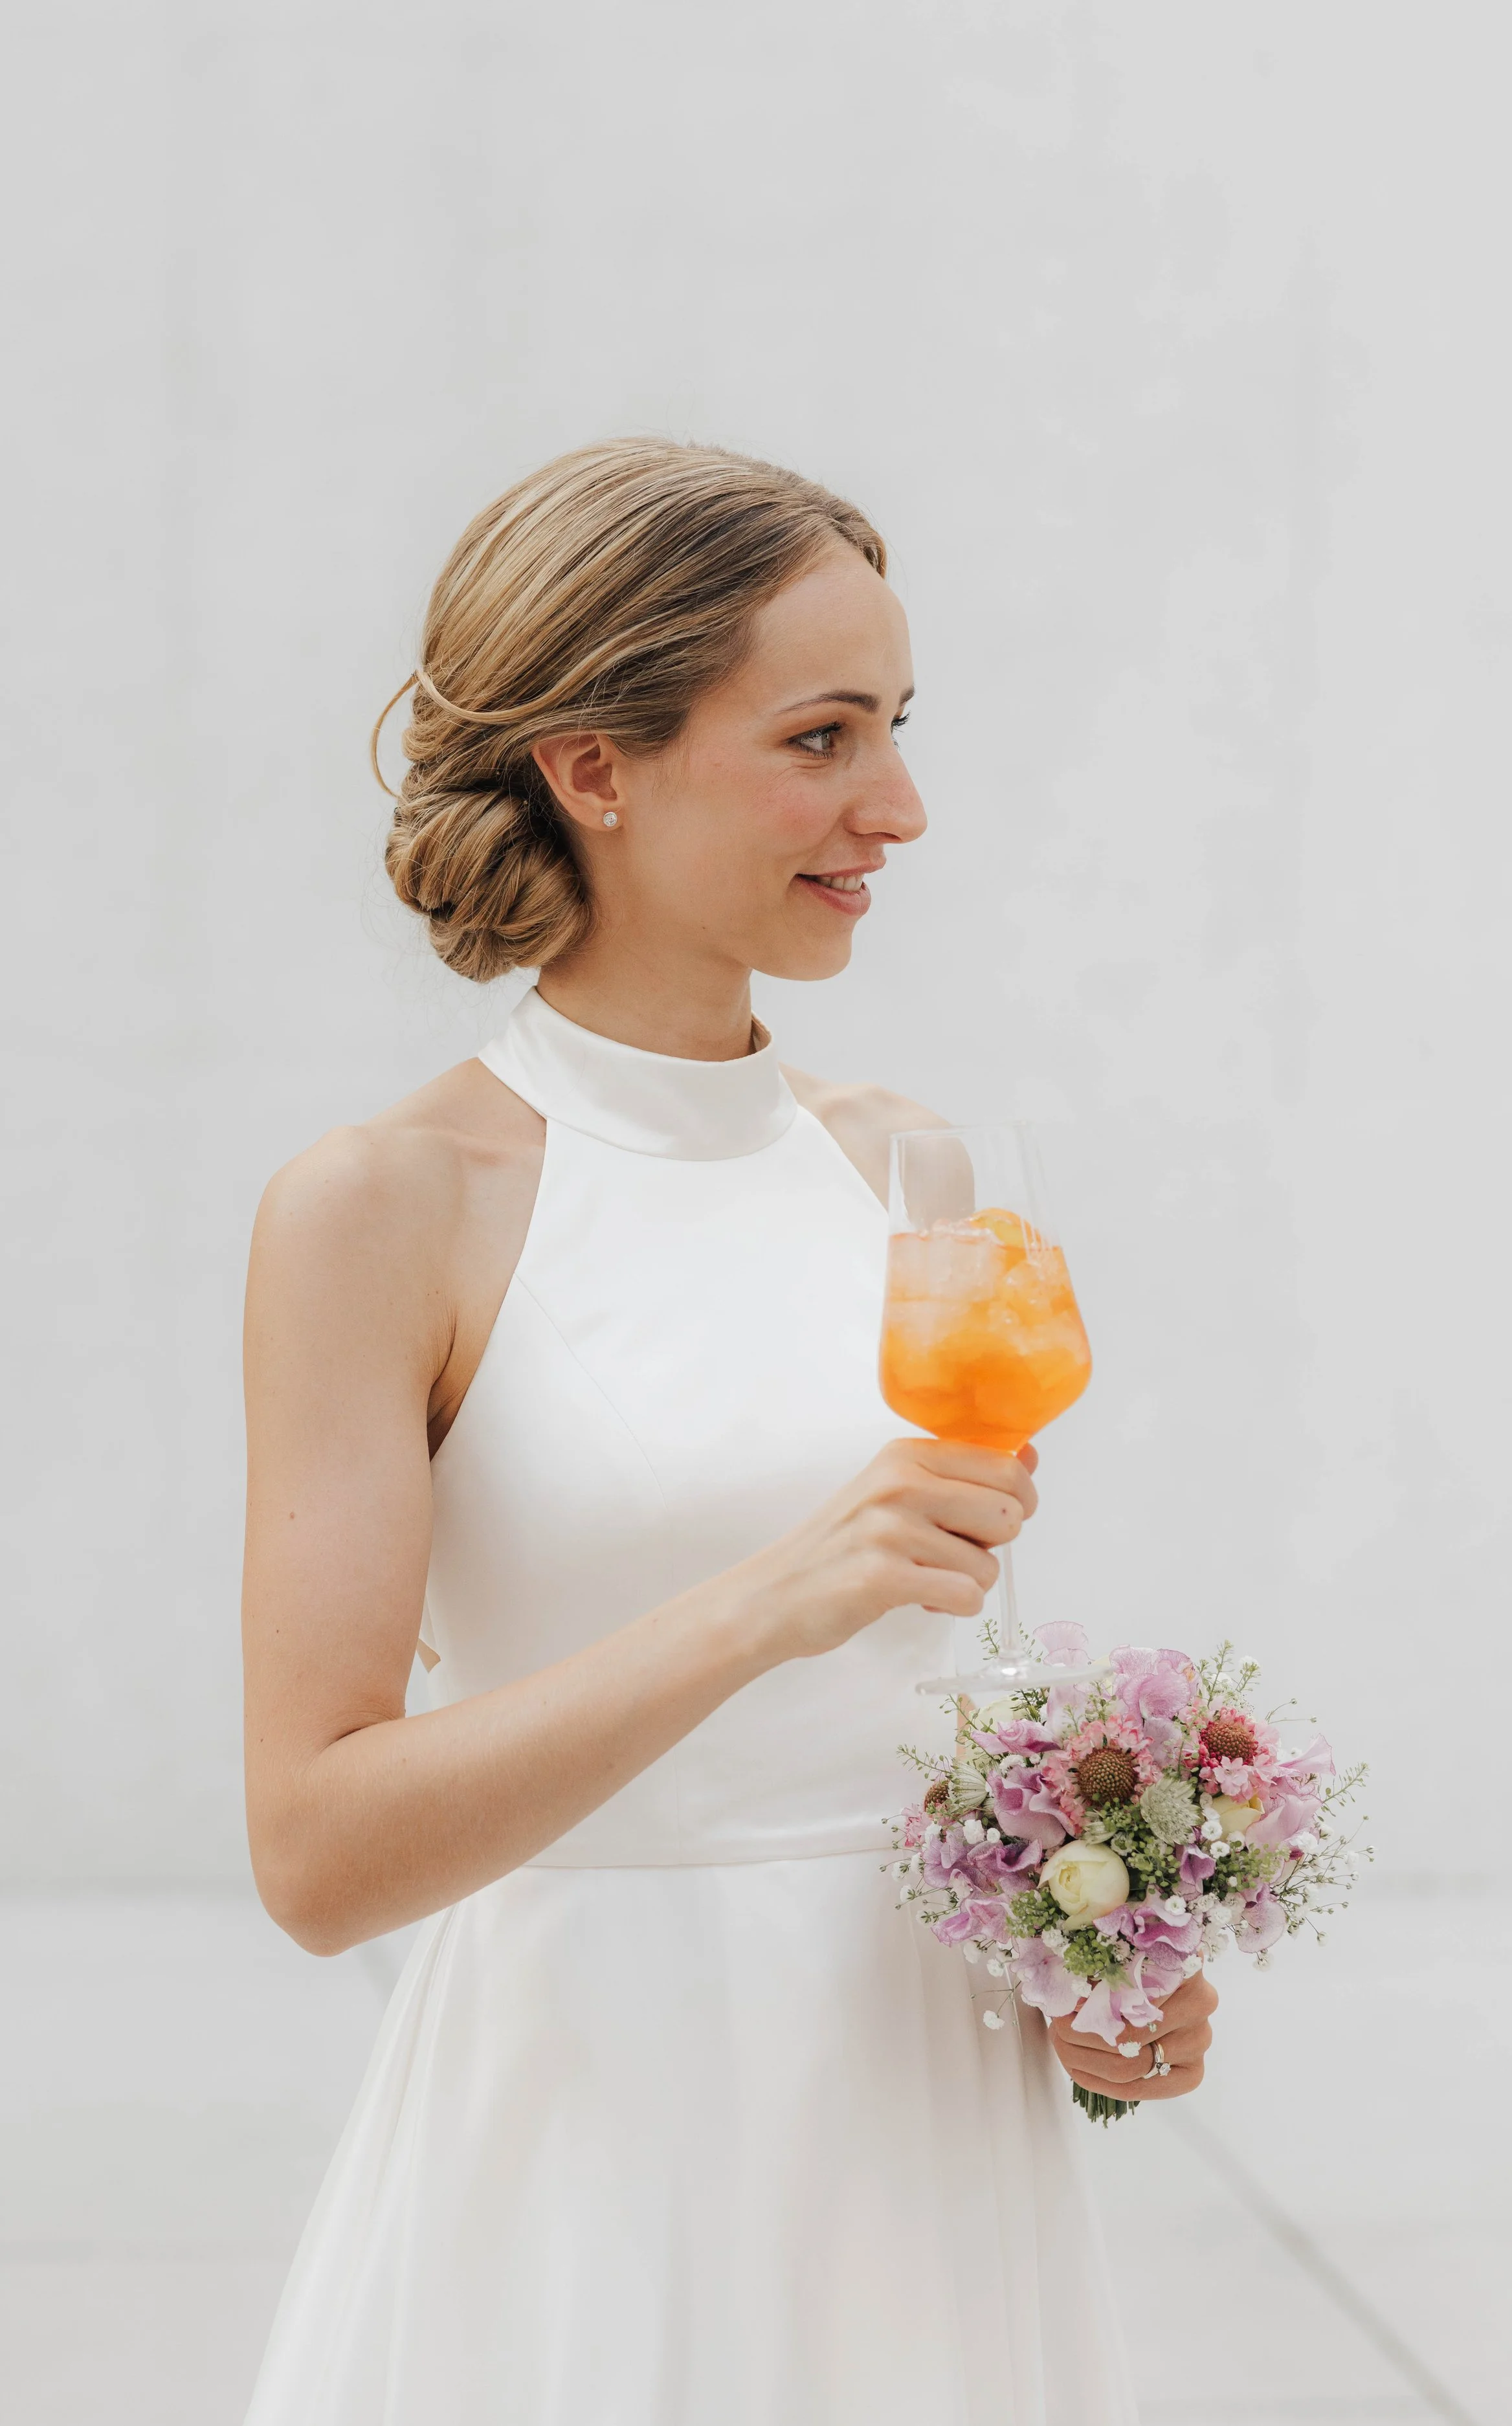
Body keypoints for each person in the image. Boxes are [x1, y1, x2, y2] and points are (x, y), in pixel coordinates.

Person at [239, 438, 1216, 2425]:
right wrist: (770, 1599)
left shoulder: (906, 1167)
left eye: (899, 726)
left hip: (926, 2132)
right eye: (820, 736)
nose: (899, 805)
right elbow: (317, 1853)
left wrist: (1091, 1950)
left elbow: (942, 1689)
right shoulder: (384, 1206)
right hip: (601, 2135)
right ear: (592, 766)